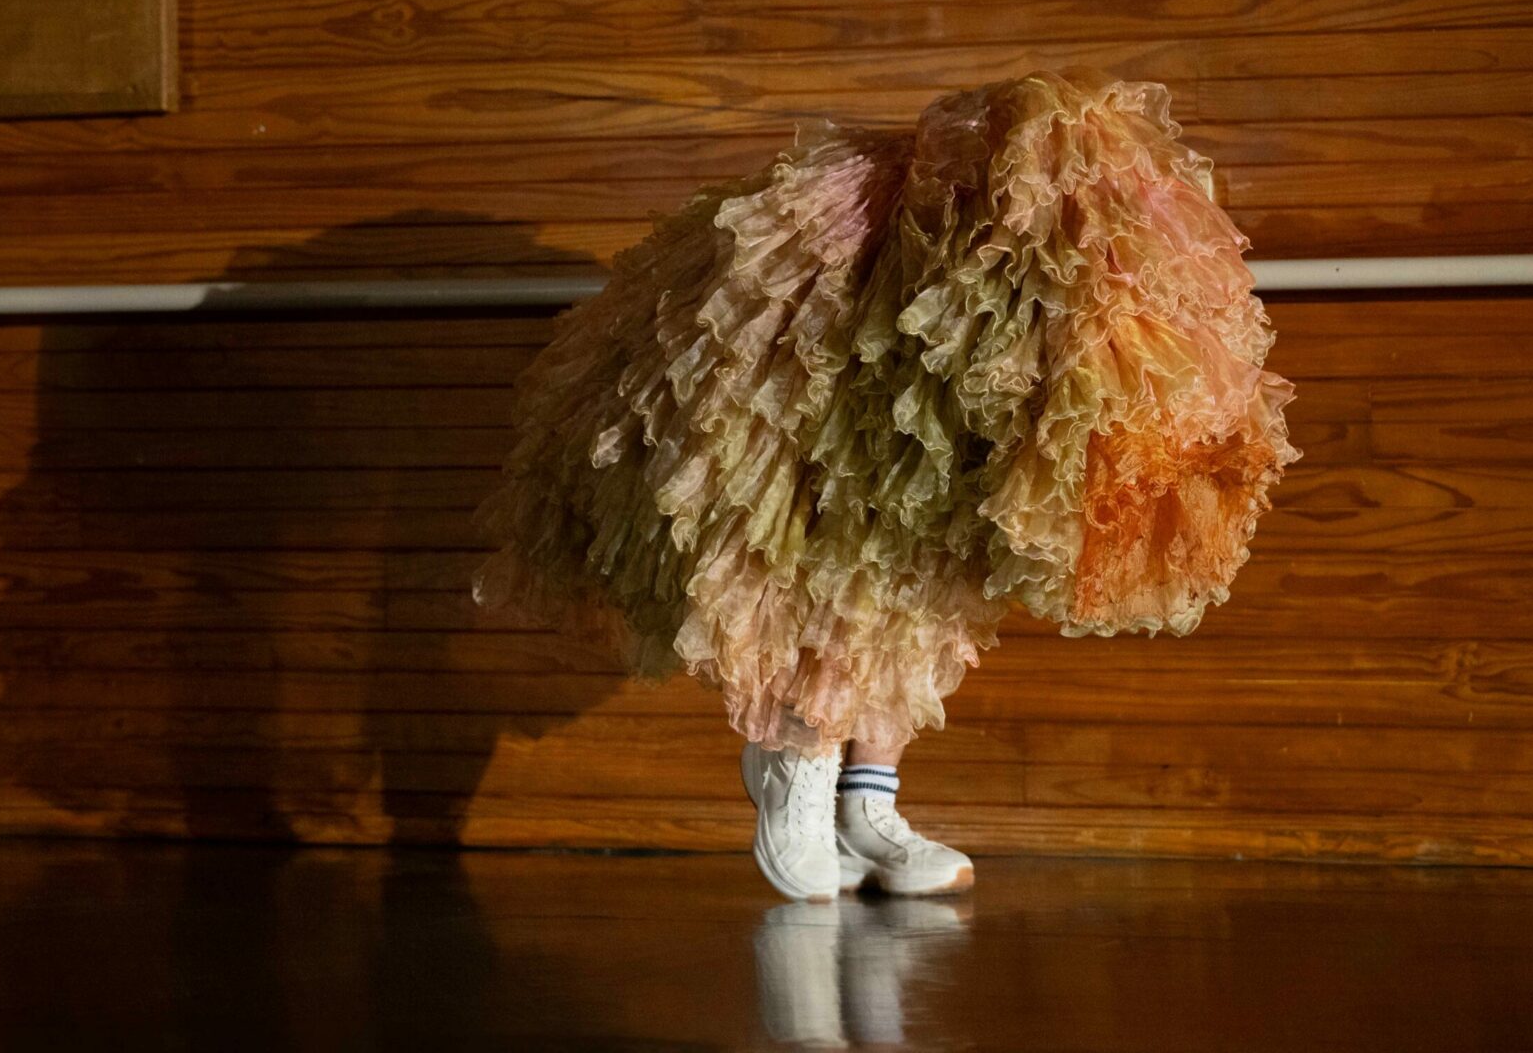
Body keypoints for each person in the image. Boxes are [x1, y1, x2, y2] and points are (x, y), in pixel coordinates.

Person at [470, 66, 1300, 903]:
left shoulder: (1088, 264)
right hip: (853, 357)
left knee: (926, 570)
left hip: (965, 355)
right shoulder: (855, 257)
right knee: (828, 546)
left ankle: (868, 802)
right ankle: (797, 756)